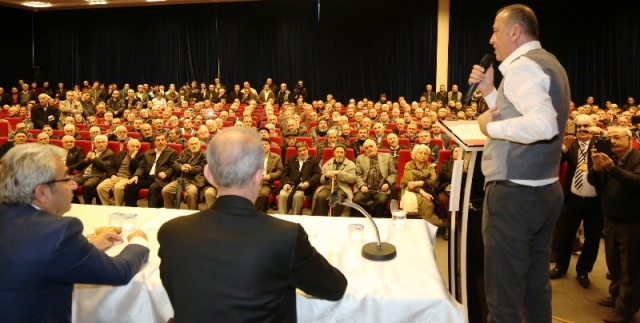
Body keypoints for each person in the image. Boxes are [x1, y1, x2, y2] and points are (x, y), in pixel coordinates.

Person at [157, 127, 347, 322]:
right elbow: (335, 287)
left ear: (209, 175)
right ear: (259, 175)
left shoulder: (171, 232)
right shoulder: (286, 237)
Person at [470, 4, 570, 322]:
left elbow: (543, 125)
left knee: (503, 299)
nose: (491, 39)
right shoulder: (548, 62)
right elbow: (516, 111)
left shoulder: (523, 67)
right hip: (544, 191)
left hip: (515, 197)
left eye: (496, 31)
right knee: (534, 289)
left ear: (515, 32)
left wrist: (488, 127)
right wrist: (489, 92)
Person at [0, 143, 149, 322]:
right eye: (65, 178)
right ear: (42, 192)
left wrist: (87, 248)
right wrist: (138, 241)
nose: (72, 184)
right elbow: (119, 272)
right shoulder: (58, 232)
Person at [587, 126, 640, 323]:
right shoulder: (609, 159)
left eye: (617, 138)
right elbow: (594, 181)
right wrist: (596, 168)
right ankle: (615, 296)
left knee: (630, 269)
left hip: (632, 223)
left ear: (629, 139)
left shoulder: (637, 158)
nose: (614, 142)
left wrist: (612, 169)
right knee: (614, 264)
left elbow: (636, 183)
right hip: (610, 220)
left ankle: (625, 309)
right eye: (610, 139)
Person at [549, 114, 603, 289]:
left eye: (586, 126)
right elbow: (553, 163)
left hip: (595, 202)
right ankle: (560, 266)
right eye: (578, 126)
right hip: (572, 199)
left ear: (593, 128)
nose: (582, 129)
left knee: (592, 238)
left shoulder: (600, 145)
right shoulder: (570, 145)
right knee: (564, 235)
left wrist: (602, 134)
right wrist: (564, 147)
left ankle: (583, 271)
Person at [124, 133, 179, 208]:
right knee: (130, 185)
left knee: (153, 187)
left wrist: (166, 173)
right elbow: (141, 166)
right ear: (154, 142)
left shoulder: (172, 153)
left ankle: (152, 211)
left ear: (166, 141)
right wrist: (136, 175)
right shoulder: (148, 153)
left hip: (161, 179)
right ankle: (131, 209)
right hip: (148, 178)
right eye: (158, 140)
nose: (160, 142)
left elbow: (174, 167)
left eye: (162, 140)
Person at [353, 139, 396, 218]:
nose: (369, 149)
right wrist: (361, 185)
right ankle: (361, 220)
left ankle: (378, 220)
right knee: (356, 200)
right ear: (364, 150)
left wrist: (387, 183)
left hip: (381, 189)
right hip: (365, 188)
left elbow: (393, 174)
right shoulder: (360, 158)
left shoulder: (387, 157)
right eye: (366, 148)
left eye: (371, 146)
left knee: (381, 201)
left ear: (376, 147)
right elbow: (357, 175)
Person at [311, 143, 357, 217]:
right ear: (334, 153)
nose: (339, 154)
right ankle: (321, 219)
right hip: (328, 186)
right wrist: (326, 176)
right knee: (320, 196)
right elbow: (321, 180)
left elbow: (353, 179)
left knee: (335, 198)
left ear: (345, 153)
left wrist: (338, 173)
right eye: (337, 152)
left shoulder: (351, 164)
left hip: (342, 187)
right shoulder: (327, 163)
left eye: (341, 152)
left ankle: (335, 220)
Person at [162, 137, 207, 210]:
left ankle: (192, 214)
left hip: (195, 180)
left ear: (200, 144)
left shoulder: (204, 153)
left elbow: (202, 167)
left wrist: (190, 168)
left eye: (196, 144)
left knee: (191, 192)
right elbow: (176, 163)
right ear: (188, 146)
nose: (194, 146)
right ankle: (170, 212)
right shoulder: (184, 152)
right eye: (191, 144)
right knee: (166, 190)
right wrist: (181, 167)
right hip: (182, 179)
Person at [278, 141, 322, 215]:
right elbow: (284, 174)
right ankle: (282, 218)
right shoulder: (290, 160)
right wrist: (286, 183)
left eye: (304, 150)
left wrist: (309, 182)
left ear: (308, 149)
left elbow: (317, 175)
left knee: (297, 196)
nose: (302, 153)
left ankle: (296, 218)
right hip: (290, 186)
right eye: (300, 151)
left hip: (303, 188)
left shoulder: (314, 160)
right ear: (297, 152)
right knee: (282, 195)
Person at [96, 139, 142, 206]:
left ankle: (118, 206)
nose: (135, 148)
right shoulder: (120, 154)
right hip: (116, 176)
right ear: (128, 146)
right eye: (133, 146)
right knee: (100, 187)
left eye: (137, 147)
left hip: (127, 178)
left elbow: (139, 169)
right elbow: (111, 166)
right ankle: (106, 206)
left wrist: (133, 158)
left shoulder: (141, 156)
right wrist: (112, 175)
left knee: (117, 188)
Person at [71, 135, 115, 204]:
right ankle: (76, 203)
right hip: (83, 174)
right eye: (98, 142)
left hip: (96, 175)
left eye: (103, 142)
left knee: (87, 185)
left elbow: (106, 167)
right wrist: (86, 160)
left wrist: (94, 159)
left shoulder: (110, 154)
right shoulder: (92, 151)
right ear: (95, 144)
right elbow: (81, 165)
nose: (100, 144)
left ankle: (87, 204)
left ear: (106, 143)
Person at [399, 144, 437, 219]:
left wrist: (419, 183)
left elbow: (433, 180)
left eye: (425, 154)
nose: (423, 155)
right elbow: (409, 183)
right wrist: (423, 192)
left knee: (427, 203)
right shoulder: (409, 165)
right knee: (410, 200)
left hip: (426, 188)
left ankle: (424, 223)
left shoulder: (429, 166)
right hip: (408, 189)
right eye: (420, 153)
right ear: (415, 154)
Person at [255, 137, 283, 212]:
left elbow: (280, 172)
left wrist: (269, 176)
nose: (264, 146)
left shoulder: (276, 157)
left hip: (266, 183)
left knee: (263, 194)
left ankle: (260, 215)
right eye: (261, 145)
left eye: (266, 144)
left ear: (269, 145)